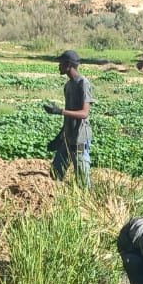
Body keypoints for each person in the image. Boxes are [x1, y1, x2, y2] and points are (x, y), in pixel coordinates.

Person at [44, 49, 92, 186]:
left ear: (68, 65)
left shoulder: (83, 83)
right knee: (55, 172)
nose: (58, 66)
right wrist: (59, 137)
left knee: (82, 180)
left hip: (80, 138)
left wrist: (59, 111)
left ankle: (86, 198)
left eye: (61, 63)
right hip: (68, 137)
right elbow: (69, 116)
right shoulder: (68, 85)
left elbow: (84, 113)